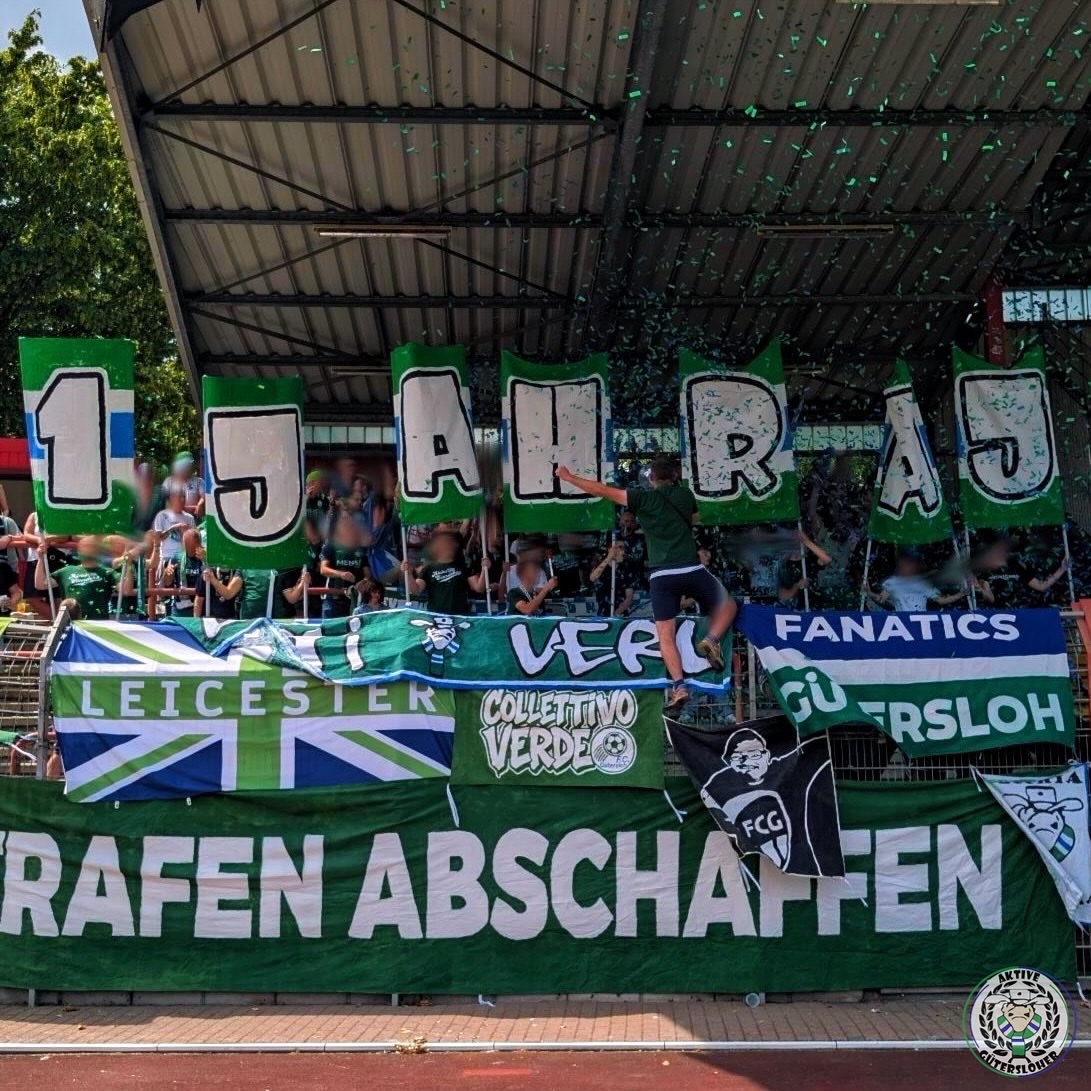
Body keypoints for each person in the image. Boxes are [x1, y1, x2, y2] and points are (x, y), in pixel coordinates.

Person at [556, 456, 736, 712]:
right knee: (727, 604)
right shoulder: (685, 495)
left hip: (661, 576)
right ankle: (710, 638)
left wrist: (569, 477)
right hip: (690, 566)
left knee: (665, 635)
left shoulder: (642, 499)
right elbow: (696, 519)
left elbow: (603, 490)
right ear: (674, 476)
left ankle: (679, 686)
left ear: (651, 478)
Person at [35, 536, 134, 620]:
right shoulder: (66, 571)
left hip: (98, 626)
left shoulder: (107, 572)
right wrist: (40, 558)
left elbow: (126, 590)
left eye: (90, 546)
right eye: (84, 546)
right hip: (72, 626)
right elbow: (41, 585)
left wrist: (128, 565)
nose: (87, 549)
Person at [404, 530, 488, 614]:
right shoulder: (428, 569)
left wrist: (484, 569)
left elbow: (479, 588)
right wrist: (408, 574)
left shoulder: (463, 566)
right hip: (436, 616)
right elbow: (416, 590)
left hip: (459, 616)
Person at [864, 550, 967, 612]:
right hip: (902, 622)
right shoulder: (892, 582)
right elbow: (881, 599)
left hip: (921, 622)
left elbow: (941, 600)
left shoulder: (923, 584)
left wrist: (962, 594)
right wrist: (869, 593)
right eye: (903, 564)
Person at [319, 516, 368, 618]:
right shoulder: (331, 545)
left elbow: (367, 574)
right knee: (330, 631)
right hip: (332, 599)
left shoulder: (361, 548)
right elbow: (323, 570)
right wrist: (341, 574)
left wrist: (364, 581)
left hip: (354, 600)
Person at [152, 486, 196, 583]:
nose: (182, 499)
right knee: (164, 586)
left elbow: (195, 539)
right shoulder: (162, 516)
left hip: (184, 558)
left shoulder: (189, 518)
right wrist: (174, 528)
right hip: (167, 557)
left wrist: (187, 532)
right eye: (179, 497)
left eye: (183, 496)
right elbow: (158, 538)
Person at [162, 529, 204, 617]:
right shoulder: (177, 558)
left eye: (190, 545)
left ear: (198, 544)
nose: (187, 548)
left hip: (202, 606)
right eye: (186, 544)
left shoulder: (206, 558)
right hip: (181, 607)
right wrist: (167, 573)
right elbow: (167, 583)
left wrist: (205, 560)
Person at [589, 541, 635, 617]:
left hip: (620, 614)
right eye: (620, 547)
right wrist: (609, 557)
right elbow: (593, 578)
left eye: (624, 548)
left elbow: (629, 596)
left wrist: (616, 613)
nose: (623, 551)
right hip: (603, 612)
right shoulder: (602, 564)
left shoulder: (626, 569)